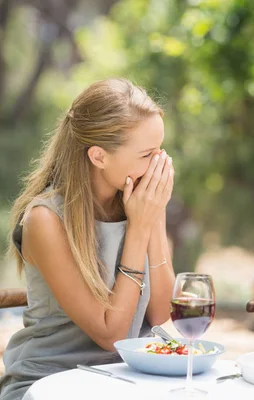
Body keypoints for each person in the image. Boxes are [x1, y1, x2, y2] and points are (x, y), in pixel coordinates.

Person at [0, 78, 175, 400]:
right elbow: (111, 335)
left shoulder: (140, 201)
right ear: (98, 156)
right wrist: (138, 229)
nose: (158, 166)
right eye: (147, 154)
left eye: (161, 151)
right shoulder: (46, 220)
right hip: (50, 382)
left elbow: (162, 314)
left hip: (128, 379)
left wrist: (152, 220)